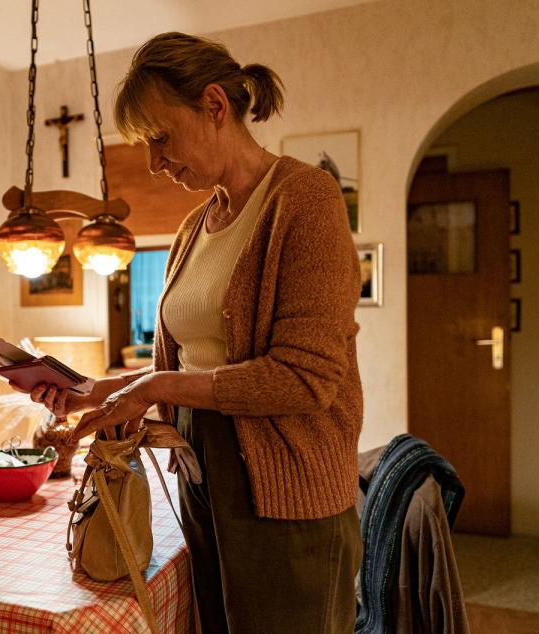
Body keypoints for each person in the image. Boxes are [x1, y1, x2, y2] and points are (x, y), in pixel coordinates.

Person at [19, 32, 363, 633]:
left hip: (286, 488)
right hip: (203, 472)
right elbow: (182, 370)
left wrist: (155, 392)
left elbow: (306, 380)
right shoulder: (193, 228)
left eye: (160, 138)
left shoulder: (306, 200)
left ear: (214, 106)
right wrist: (95, 390)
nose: (154, 164)